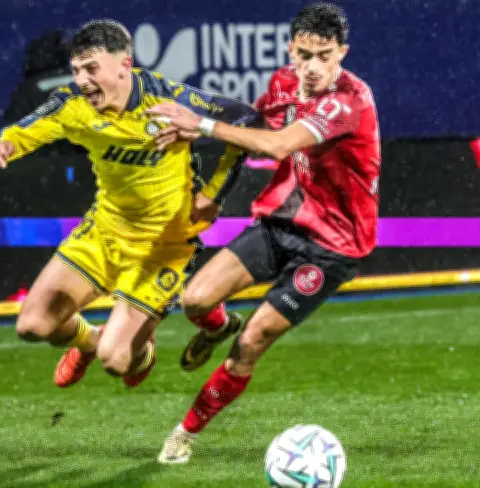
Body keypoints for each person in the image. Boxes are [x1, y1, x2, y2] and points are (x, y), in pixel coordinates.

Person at [147, 2, 381, 464]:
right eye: (303, 55)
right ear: (291, 49)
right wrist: (214, 193)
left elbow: (277, 145)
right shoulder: (281, 84)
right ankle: (219, 324)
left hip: (331, 247)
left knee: (251, 342)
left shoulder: (349, 100)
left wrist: (201, 125)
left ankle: (185, 434)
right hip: (280, 224)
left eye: (324, 56)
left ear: (342, 53)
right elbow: (246, 131)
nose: (312, 67)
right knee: (194, 301)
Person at [0, 19, 255, 390]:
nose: (82, 80)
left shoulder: (166, 98)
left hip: (163, 245)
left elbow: (245, 119)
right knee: (32, 327)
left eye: (91, 69)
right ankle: (91, 341)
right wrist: (3, 146)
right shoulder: (72, 104)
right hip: (104, 234)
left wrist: (214, 193)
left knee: (117, 363)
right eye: (76, 70)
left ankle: (138, 346)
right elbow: (17, 131)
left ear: (125, 64)